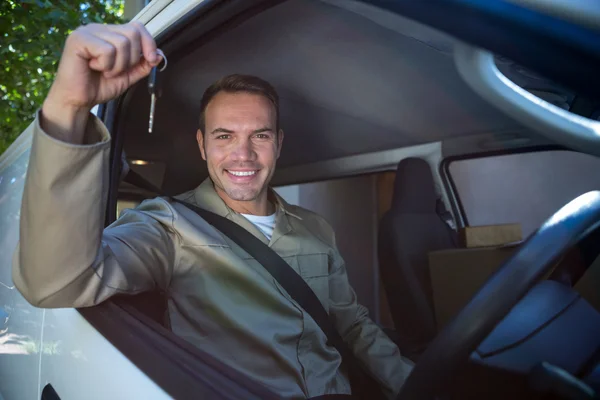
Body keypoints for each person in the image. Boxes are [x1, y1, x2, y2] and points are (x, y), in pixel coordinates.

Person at [13, 22, 413, 399]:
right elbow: (56, 283)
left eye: (260, 135)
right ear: (203, 146)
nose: (244, 154)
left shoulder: (315, 227)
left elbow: (353, 325)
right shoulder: (167, 225)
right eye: (225, 136)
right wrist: (69, 106)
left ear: (278, 143)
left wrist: (414, 385)